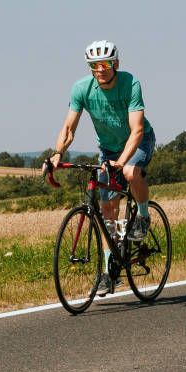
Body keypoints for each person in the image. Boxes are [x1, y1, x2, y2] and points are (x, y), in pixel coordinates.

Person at [48, 41, 154, 288]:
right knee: (108, 211)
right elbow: (68, 128)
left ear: (115, 64)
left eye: (105, 64)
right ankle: (110, 272)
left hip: (138, 141)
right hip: (108, 149)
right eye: (94, 65)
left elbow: (137, 129)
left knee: (129, 172)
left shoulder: (130, 84)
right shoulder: (81, 89)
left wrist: (121, 161)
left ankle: (143, 216)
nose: (100, 69)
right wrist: (57, 154)